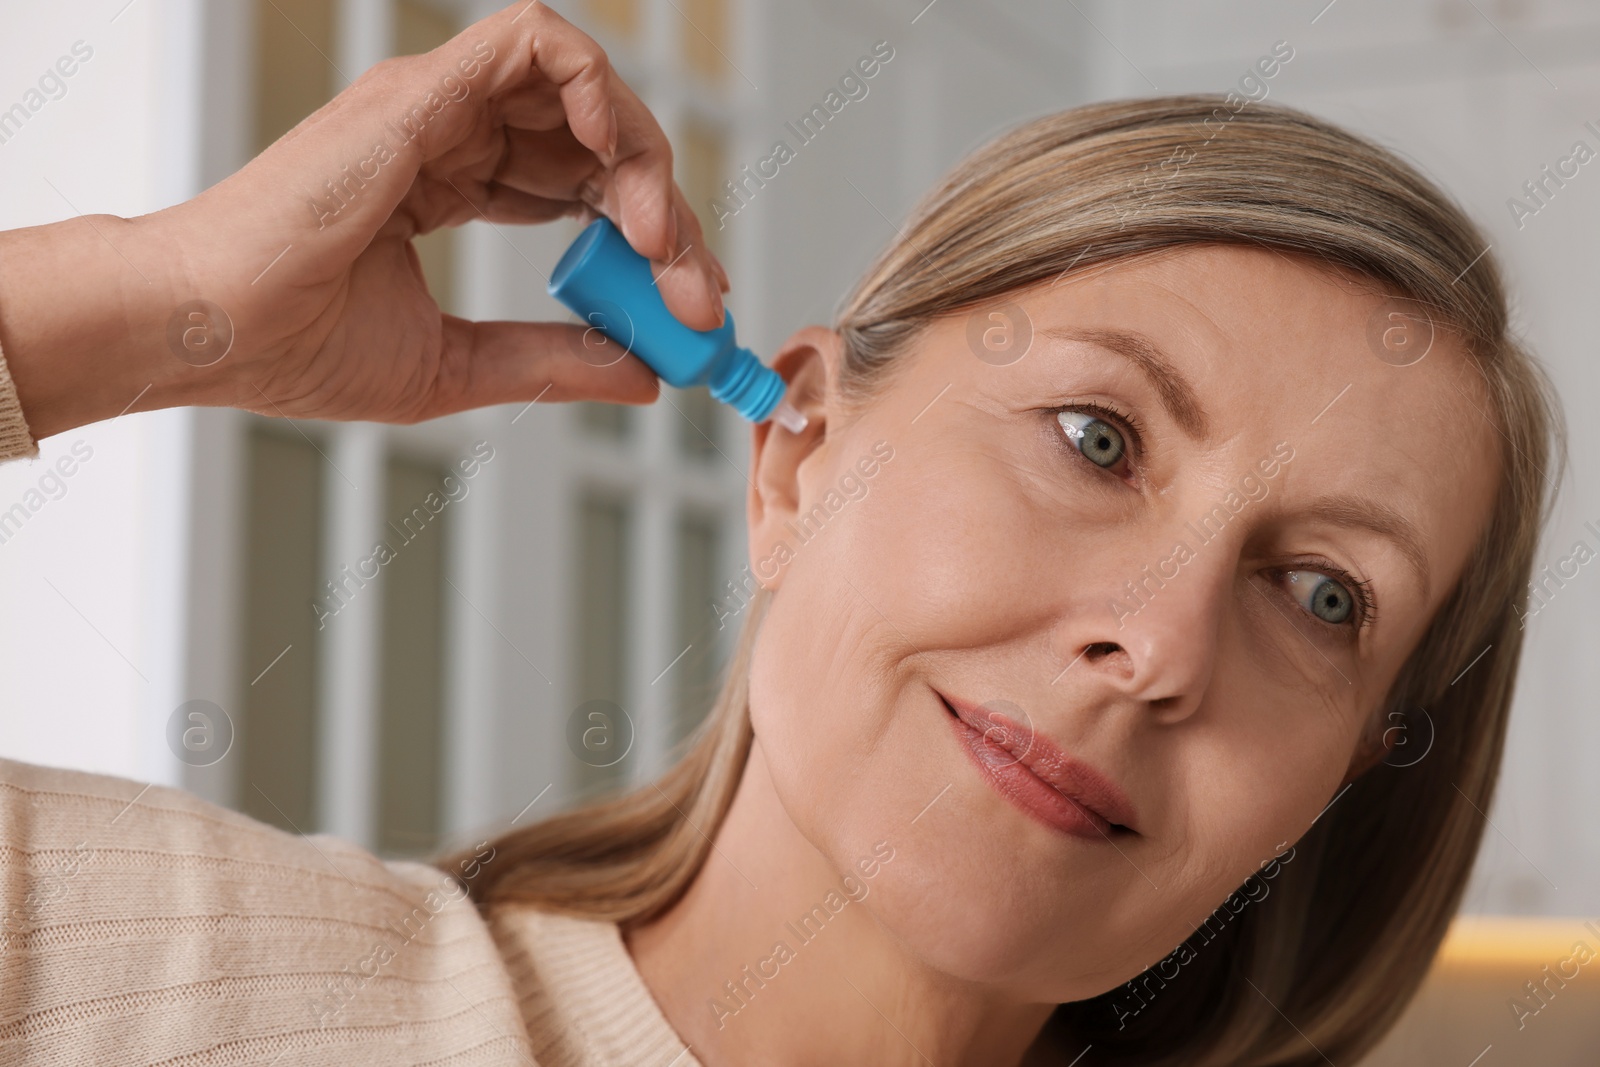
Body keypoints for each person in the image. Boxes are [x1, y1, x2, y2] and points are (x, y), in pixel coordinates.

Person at [0, 5, 1565, 1067]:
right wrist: (145, 304)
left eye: (1321, 595)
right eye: (1099, 439)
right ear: (797, 460)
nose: (1159, 650)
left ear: (1352, 768)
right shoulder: (139, 975)